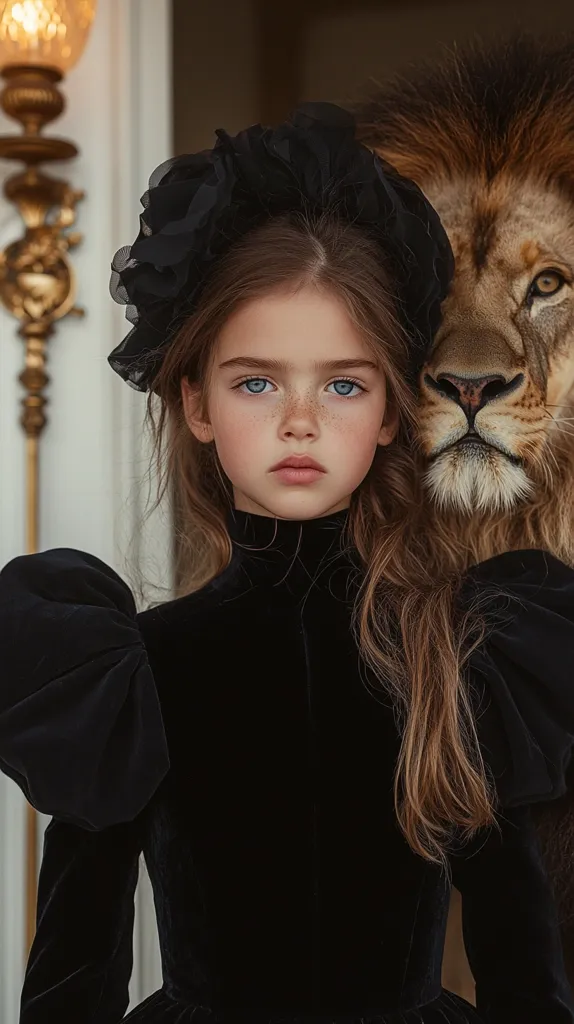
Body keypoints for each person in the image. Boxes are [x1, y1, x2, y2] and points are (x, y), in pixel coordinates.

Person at [1, 103, 573, 1024]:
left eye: (342, 384)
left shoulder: (463, 659)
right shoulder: (129, 677)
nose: (299, 422)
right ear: (197, 403)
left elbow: (526, 977)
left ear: (389, 412)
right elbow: (73, 977)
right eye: (257, 382)